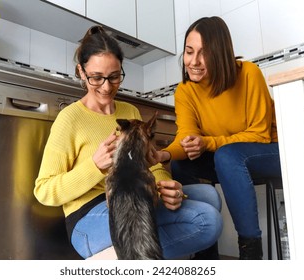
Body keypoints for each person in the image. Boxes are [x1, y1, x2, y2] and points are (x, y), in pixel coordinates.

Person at [34, 25, 223, 260]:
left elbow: (151, 164)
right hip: (91, 215)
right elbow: (44, 191)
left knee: (209, 195)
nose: (106, 86)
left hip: (137, 196)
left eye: (114, 76)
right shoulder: (70, 118)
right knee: (207, 221)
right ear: (81, 72)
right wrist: (94, 167)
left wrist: (166, 185)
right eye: (96, 78)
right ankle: (122, 257)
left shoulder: (129, 111)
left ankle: (128, 258)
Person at [156, 16, 281, 260]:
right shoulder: (185, 90)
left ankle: (251, 254)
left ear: (221, 53)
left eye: (203, 53)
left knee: (226, 154)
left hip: (271, 152)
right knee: (182, 164)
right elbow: (187, 136)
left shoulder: (248, 74)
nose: (193, 61)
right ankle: (205, 249)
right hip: (230, 161)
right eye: (189, 52)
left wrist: (208, 143)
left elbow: (259, 134)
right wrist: (165, 154)